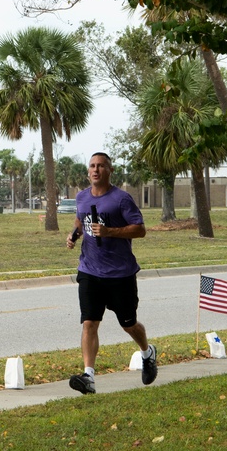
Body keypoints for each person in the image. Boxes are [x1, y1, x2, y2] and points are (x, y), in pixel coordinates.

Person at [65, 152, 156, 394]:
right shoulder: (82, 197)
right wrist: (74, 236)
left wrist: (109, 232)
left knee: (128, 324)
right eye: (92, 166)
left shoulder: (121, 199)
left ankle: (147, 352)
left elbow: (140, 230)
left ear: (109, 170)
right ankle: (89, 377)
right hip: (89, 270)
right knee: (89, 323)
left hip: (120, 274)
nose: (95, 170)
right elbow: (80, 220)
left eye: (101, 166)